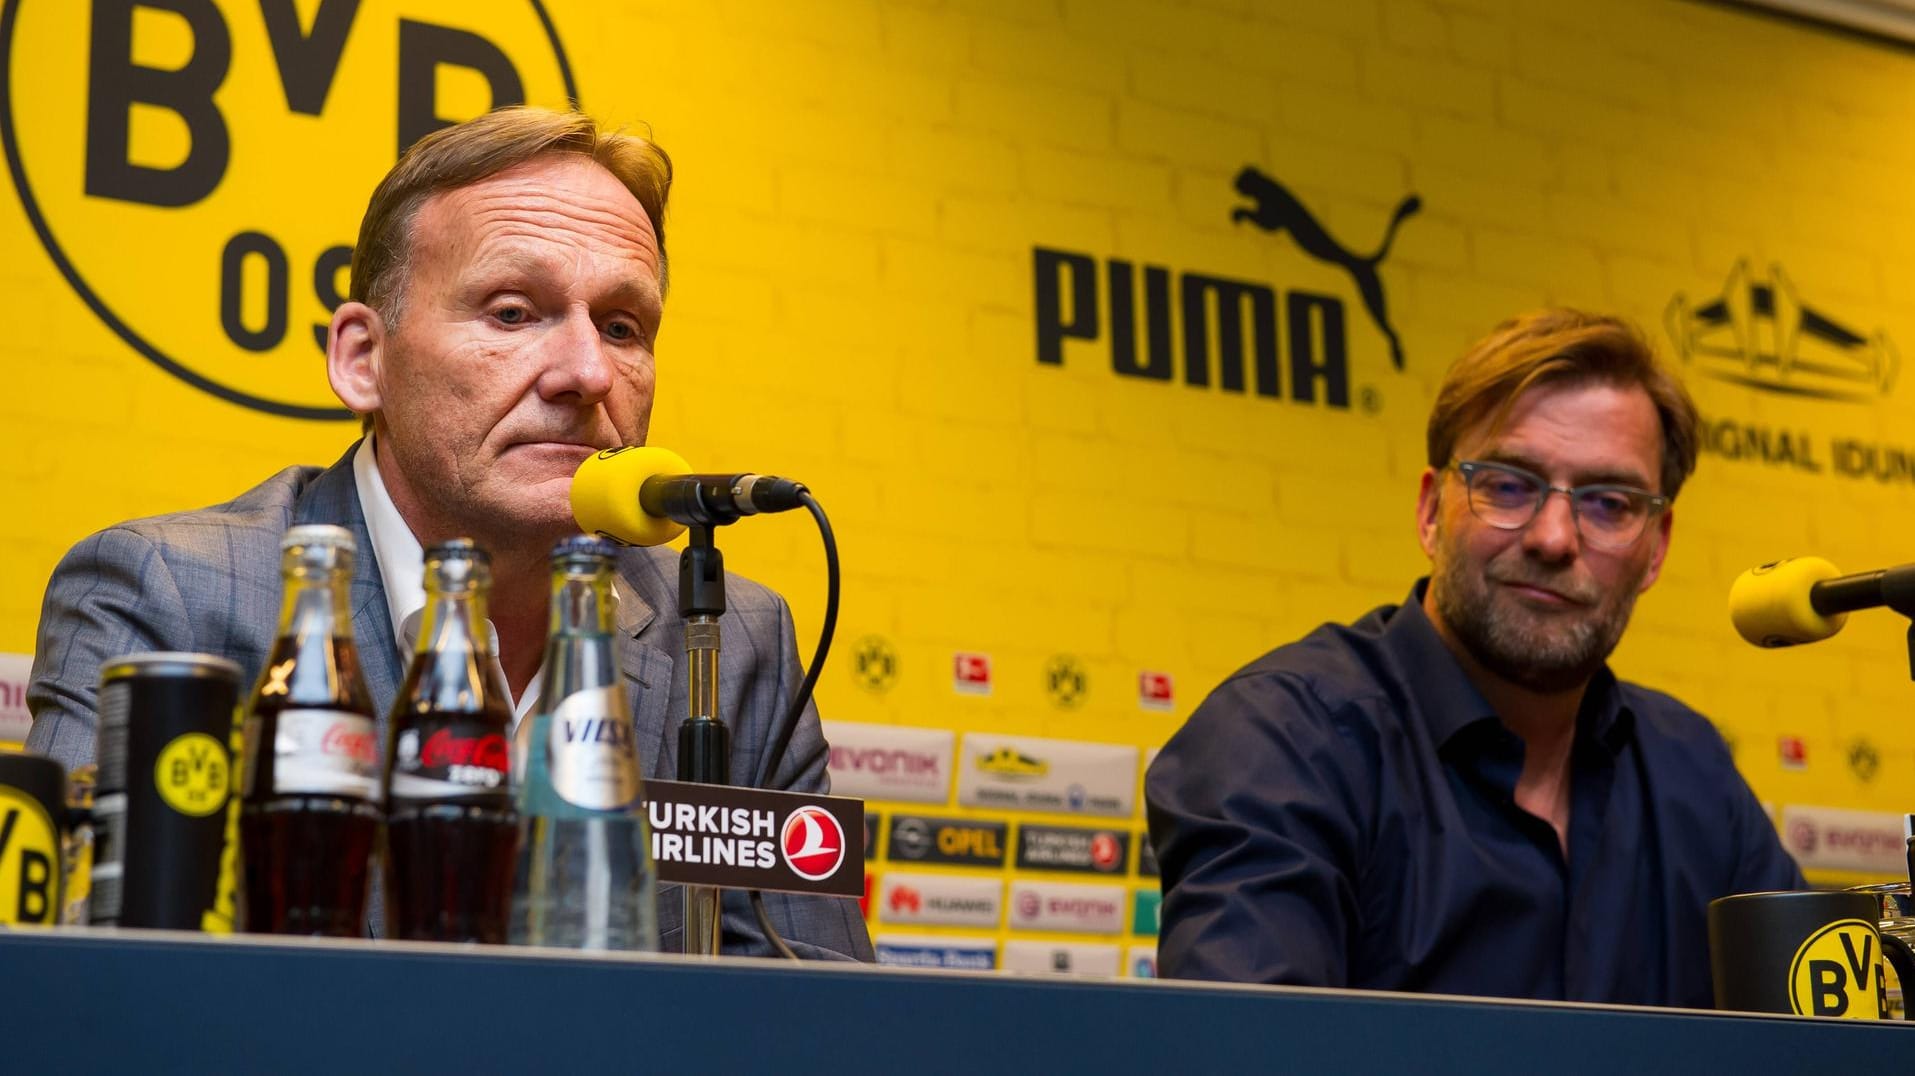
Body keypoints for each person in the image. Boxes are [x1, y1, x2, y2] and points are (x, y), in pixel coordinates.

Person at [26, 106, 873, 961]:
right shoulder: (169, 599)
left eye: (622, 328)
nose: (586, 372)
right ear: (363, 358)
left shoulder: (732, 646)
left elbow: (812, 1024)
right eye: (511, 313)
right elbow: (83, 999)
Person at [1146, 309, 1801, 1006]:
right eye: (1508, 485)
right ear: (1431, 512)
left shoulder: (1692, 774)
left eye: (1608, 503)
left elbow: (1817, 1050)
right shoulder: (1283, 743)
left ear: (1655, 547)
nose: (1554, 538)